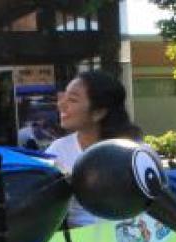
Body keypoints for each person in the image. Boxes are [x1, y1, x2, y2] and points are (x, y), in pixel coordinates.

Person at [46, 70, 140, 227]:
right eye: (63, 97)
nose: (61, 105)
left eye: (72, 100)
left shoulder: (135, 152)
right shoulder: (58, 150)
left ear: (98, 112)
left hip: (129, 239)